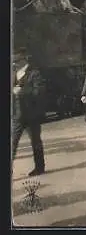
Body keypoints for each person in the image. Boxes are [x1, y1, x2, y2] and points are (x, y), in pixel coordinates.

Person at [12, 48, 46, 176]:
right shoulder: (13, 73)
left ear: (23, 60)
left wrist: (23, 92)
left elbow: (39, 92)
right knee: (12, 143)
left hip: (32, 115)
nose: (14, 64)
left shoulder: (34, 73)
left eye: (16, 61)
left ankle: (40, 167)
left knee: (36, 142)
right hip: (16, 115)